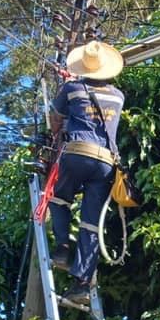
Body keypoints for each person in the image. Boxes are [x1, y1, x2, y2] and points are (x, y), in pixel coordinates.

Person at [47, 40, 125, 306]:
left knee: (59, 198)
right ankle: (81, 284)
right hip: (106, 161)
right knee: (92, 222)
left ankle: (62, 250)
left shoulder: (71, 88)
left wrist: (61, 126)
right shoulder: (118, 96)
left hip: (77, 152)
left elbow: (55, 120)